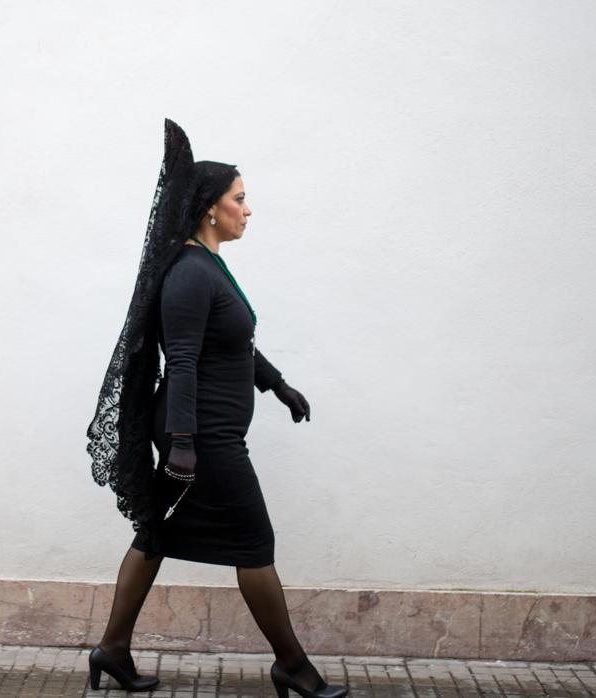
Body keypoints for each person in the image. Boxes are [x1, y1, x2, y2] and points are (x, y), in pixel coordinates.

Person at [86, 120, 347, 697]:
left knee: (154, 535)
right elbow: (180, 361)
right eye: (239, 199)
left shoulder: (208, 267)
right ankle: (292, 666)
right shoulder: (187, 274)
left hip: (208, 427)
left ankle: (112, 650)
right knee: (255, 543)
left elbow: (232, 343)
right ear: (210, 208)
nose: (248, 210)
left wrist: (276, 385)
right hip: (202, 434)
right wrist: (182, 442)